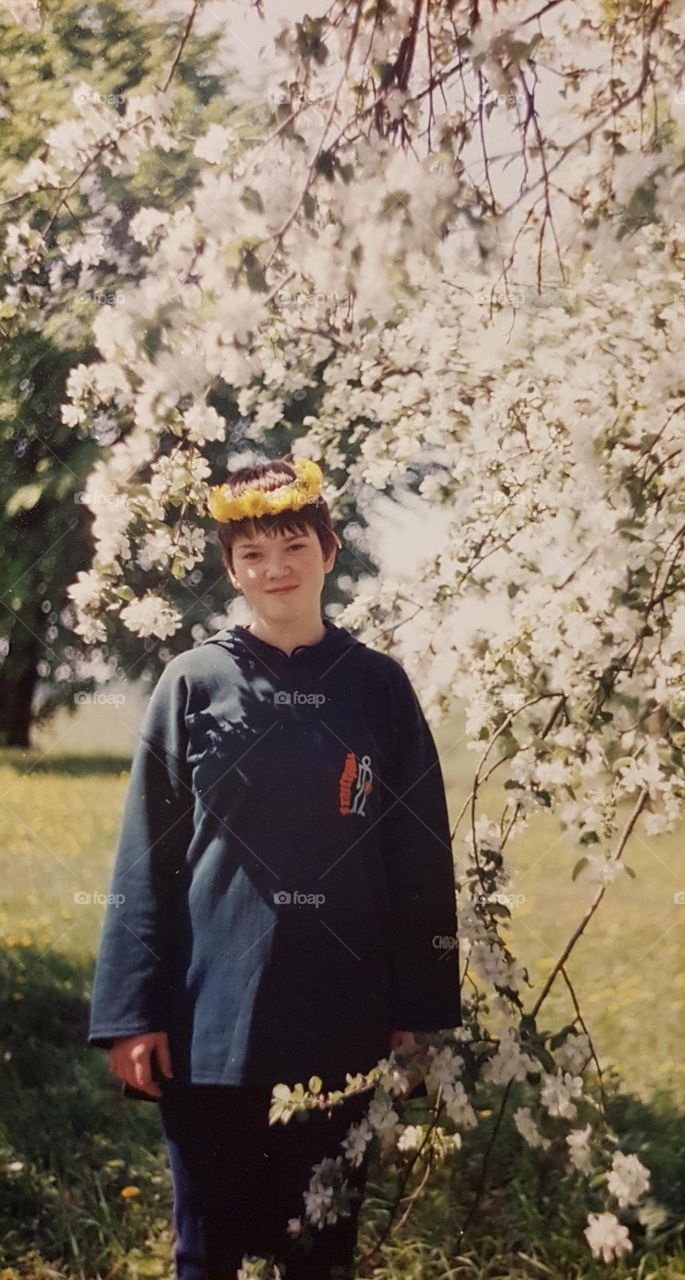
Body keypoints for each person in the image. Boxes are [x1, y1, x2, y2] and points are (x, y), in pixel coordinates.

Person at [87, 455, 463, 1280]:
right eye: (252, 554)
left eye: (293, 545)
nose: (275, 569)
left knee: (321, 1250)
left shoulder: (379, 689)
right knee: (205, 1252)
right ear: (230, 569)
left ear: (329, 550)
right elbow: (144, 858)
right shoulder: (192, 684)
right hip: (208, 1022)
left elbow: (419, 858)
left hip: (343, 1016)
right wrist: (129, 1012)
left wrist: (417, 1006)